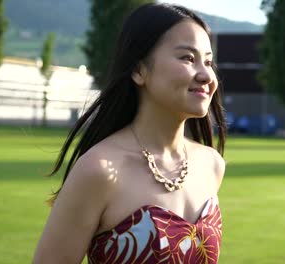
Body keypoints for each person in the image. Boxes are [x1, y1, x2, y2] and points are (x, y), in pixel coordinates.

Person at [33, 3, 227, 264]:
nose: (206, 75)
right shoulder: (98, 170)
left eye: (208, 61)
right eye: (187, 58)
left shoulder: (211, 164)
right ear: (138, 70)